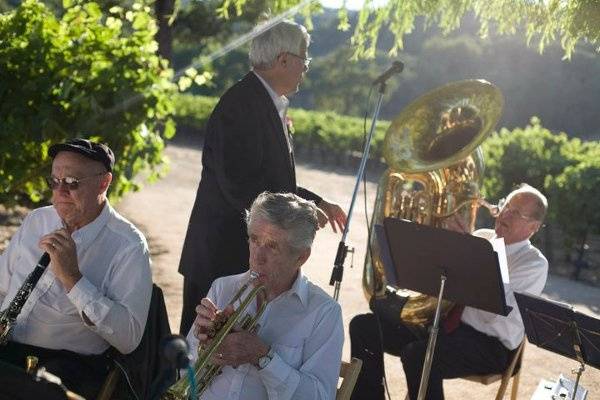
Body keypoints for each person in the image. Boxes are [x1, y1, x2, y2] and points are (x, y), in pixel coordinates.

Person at [178, 19, 347, 335]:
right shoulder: (240, 105)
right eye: (304, 59)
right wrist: (305, 213)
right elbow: (244, 189)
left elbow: (273, 182)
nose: (306, 68)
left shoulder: (265, 102)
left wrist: (317, 201)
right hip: (222, 255)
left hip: (241, 250)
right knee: (198, 359)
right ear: (284, 60)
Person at [349, 183, 549, 400]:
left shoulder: (534, 263)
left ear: (533, 227)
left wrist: (470, 255)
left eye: (516, 212)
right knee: (364, 326)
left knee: (418, 356)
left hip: (490, 345)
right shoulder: (482, 236)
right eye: (506, 205)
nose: (505, 213)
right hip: (444, 326)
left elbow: (494, 311)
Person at [0, 138, 152, 399]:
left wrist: (73, 278)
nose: (60, 191)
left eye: (72, 182)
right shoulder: (38, 220)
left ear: (104, 182)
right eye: (55, 182)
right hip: (10, 353)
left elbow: (129, 338)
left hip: (69, 369)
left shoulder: (129, 245)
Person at [185, 192, 344, 399]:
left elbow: (319, 397)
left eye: (272, 246)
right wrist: (204, 346)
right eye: (254, 240)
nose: (257, 257)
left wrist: (263, 357)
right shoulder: (223, 288)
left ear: (301, 257)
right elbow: (184, 370)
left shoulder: (324, 312)